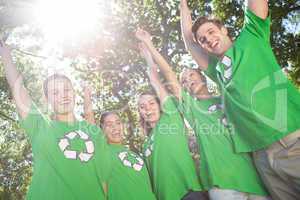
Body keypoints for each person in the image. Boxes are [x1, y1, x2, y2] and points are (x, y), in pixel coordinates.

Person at [180, 0, 300, 199]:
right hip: (261, 159)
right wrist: (183, 6)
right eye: (202, 39)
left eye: (211, 31)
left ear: (224, 30)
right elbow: (189, 42)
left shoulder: (252, 36)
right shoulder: (216, 71)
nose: (208, 39)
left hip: (291, 140)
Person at [136, 29, 270, 200]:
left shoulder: (226, 99)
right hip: (222, 183)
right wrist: (149, 45)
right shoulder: (192, 108)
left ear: (203, 77)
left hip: (254, 177)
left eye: (191, 74)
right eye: (184, 80)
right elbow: (168, 74)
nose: (188, 80)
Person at [0, 41, 111, 200]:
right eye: (55, 92)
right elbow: (19, 90)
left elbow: (104, 179)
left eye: (67, 90)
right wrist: (6, 56)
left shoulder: (94, 132)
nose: (63, 95)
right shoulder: (40, 127)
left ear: (74, 93)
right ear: (46, 99)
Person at [137, 43, 207, 200]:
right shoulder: (145, 144)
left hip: (188, 193)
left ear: (160, 105)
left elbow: (155, 81)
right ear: (140, 113)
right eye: (142, 106)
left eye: (151, 103)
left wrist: (149, 57)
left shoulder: (171, 117)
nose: (147, 108)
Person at [83, 86, 157, 200]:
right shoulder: (102, 150)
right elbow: (89, 120)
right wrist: (87, 93)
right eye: (109, 124)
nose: (115, 127)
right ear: (102, 129)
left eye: (118, 123)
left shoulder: (136, 155)